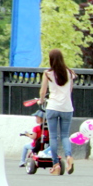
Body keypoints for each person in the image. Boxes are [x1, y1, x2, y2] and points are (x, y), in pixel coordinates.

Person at [38, 48, 77, 176]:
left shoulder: (48, 74)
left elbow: (43, 92)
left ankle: (56, 165)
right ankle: (69, 156)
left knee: (53, 137)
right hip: (67, 108)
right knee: (65, 135)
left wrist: (41, 100)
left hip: (53, 107)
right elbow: (70, 91)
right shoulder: (70, 73)